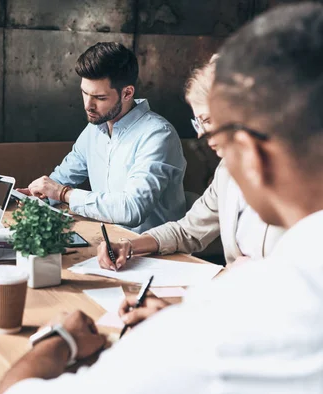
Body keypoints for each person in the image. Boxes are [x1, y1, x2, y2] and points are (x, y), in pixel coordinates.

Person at [0, 3, 323, 394]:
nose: (205, 139)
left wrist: (60, 339)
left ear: (255, 155)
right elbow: (189, 228)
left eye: (213, 126)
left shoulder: (229, 333)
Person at [96, 56, 285, 273]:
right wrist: (129, 245)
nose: (200, 133)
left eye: (206, 120)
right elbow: (188, 231)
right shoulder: (227, 172)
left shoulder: (305, 176)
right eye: (197, 122)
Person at [20, 42, 186, 233]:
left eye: (99, 97)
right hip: (107, 242)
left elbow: (132, 210)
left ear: (127, 93)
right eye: (84, 93)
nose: (88, 106)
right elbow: (62, 178)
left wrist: (63, 194)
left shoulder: (158, 135)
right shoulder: (94, 128)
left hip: (155, 253)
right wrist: (35, 198)